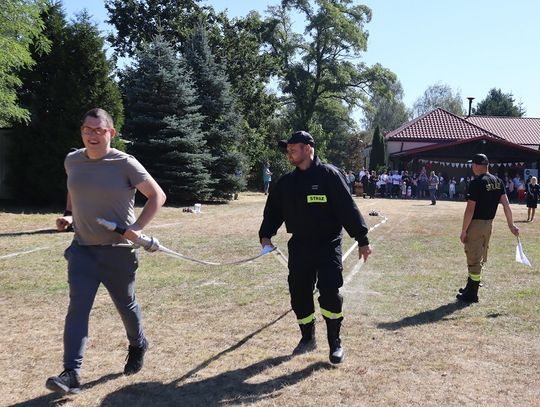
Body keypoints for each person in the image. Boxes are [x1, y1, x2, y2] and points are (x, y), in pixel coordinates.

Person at [46, 108, 167, 394]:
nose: (92, 135)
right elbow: (74, 189)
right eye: (87, 130)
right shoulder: (72, 161)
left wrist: (137, 227)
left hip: (118, 251)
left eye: (99, 130)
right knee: (77, 309)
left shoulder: (125, 163)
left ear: (111, 133)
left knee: (126, 305)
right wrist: (69, 215)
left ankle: (138, 344)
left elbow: (157, 195)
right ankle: (71, 373)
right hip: (82, 251)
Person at [258, 130, 371, 364]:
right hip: (300, 245)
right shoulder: (286, 183)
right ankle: (307, 336)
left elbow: (347, 208)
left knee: (330, 292)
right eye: (287, 147)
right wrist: (266, 235)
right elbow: (273, 211)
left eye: (293, 147)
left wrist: (362, 239)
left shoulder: (329, 175)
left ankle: (335, 342)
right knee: (299, 293)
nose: (288, 151)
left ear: (308, 148)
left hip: (328, 244)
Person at [457, 153, 519, 303]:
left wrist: (464, 230)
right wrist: (511, 225)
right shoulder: (498, 181)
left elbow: (470, 210)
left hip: (477, 224)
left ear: (478, 166)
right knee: (479, 255)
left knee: (473, 256)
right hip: (488, 224)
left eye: (473, 164)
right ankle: (470, 286)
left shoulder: (476, 183)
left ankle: (472, 293)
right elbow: (506, 205)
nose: (472, 167)